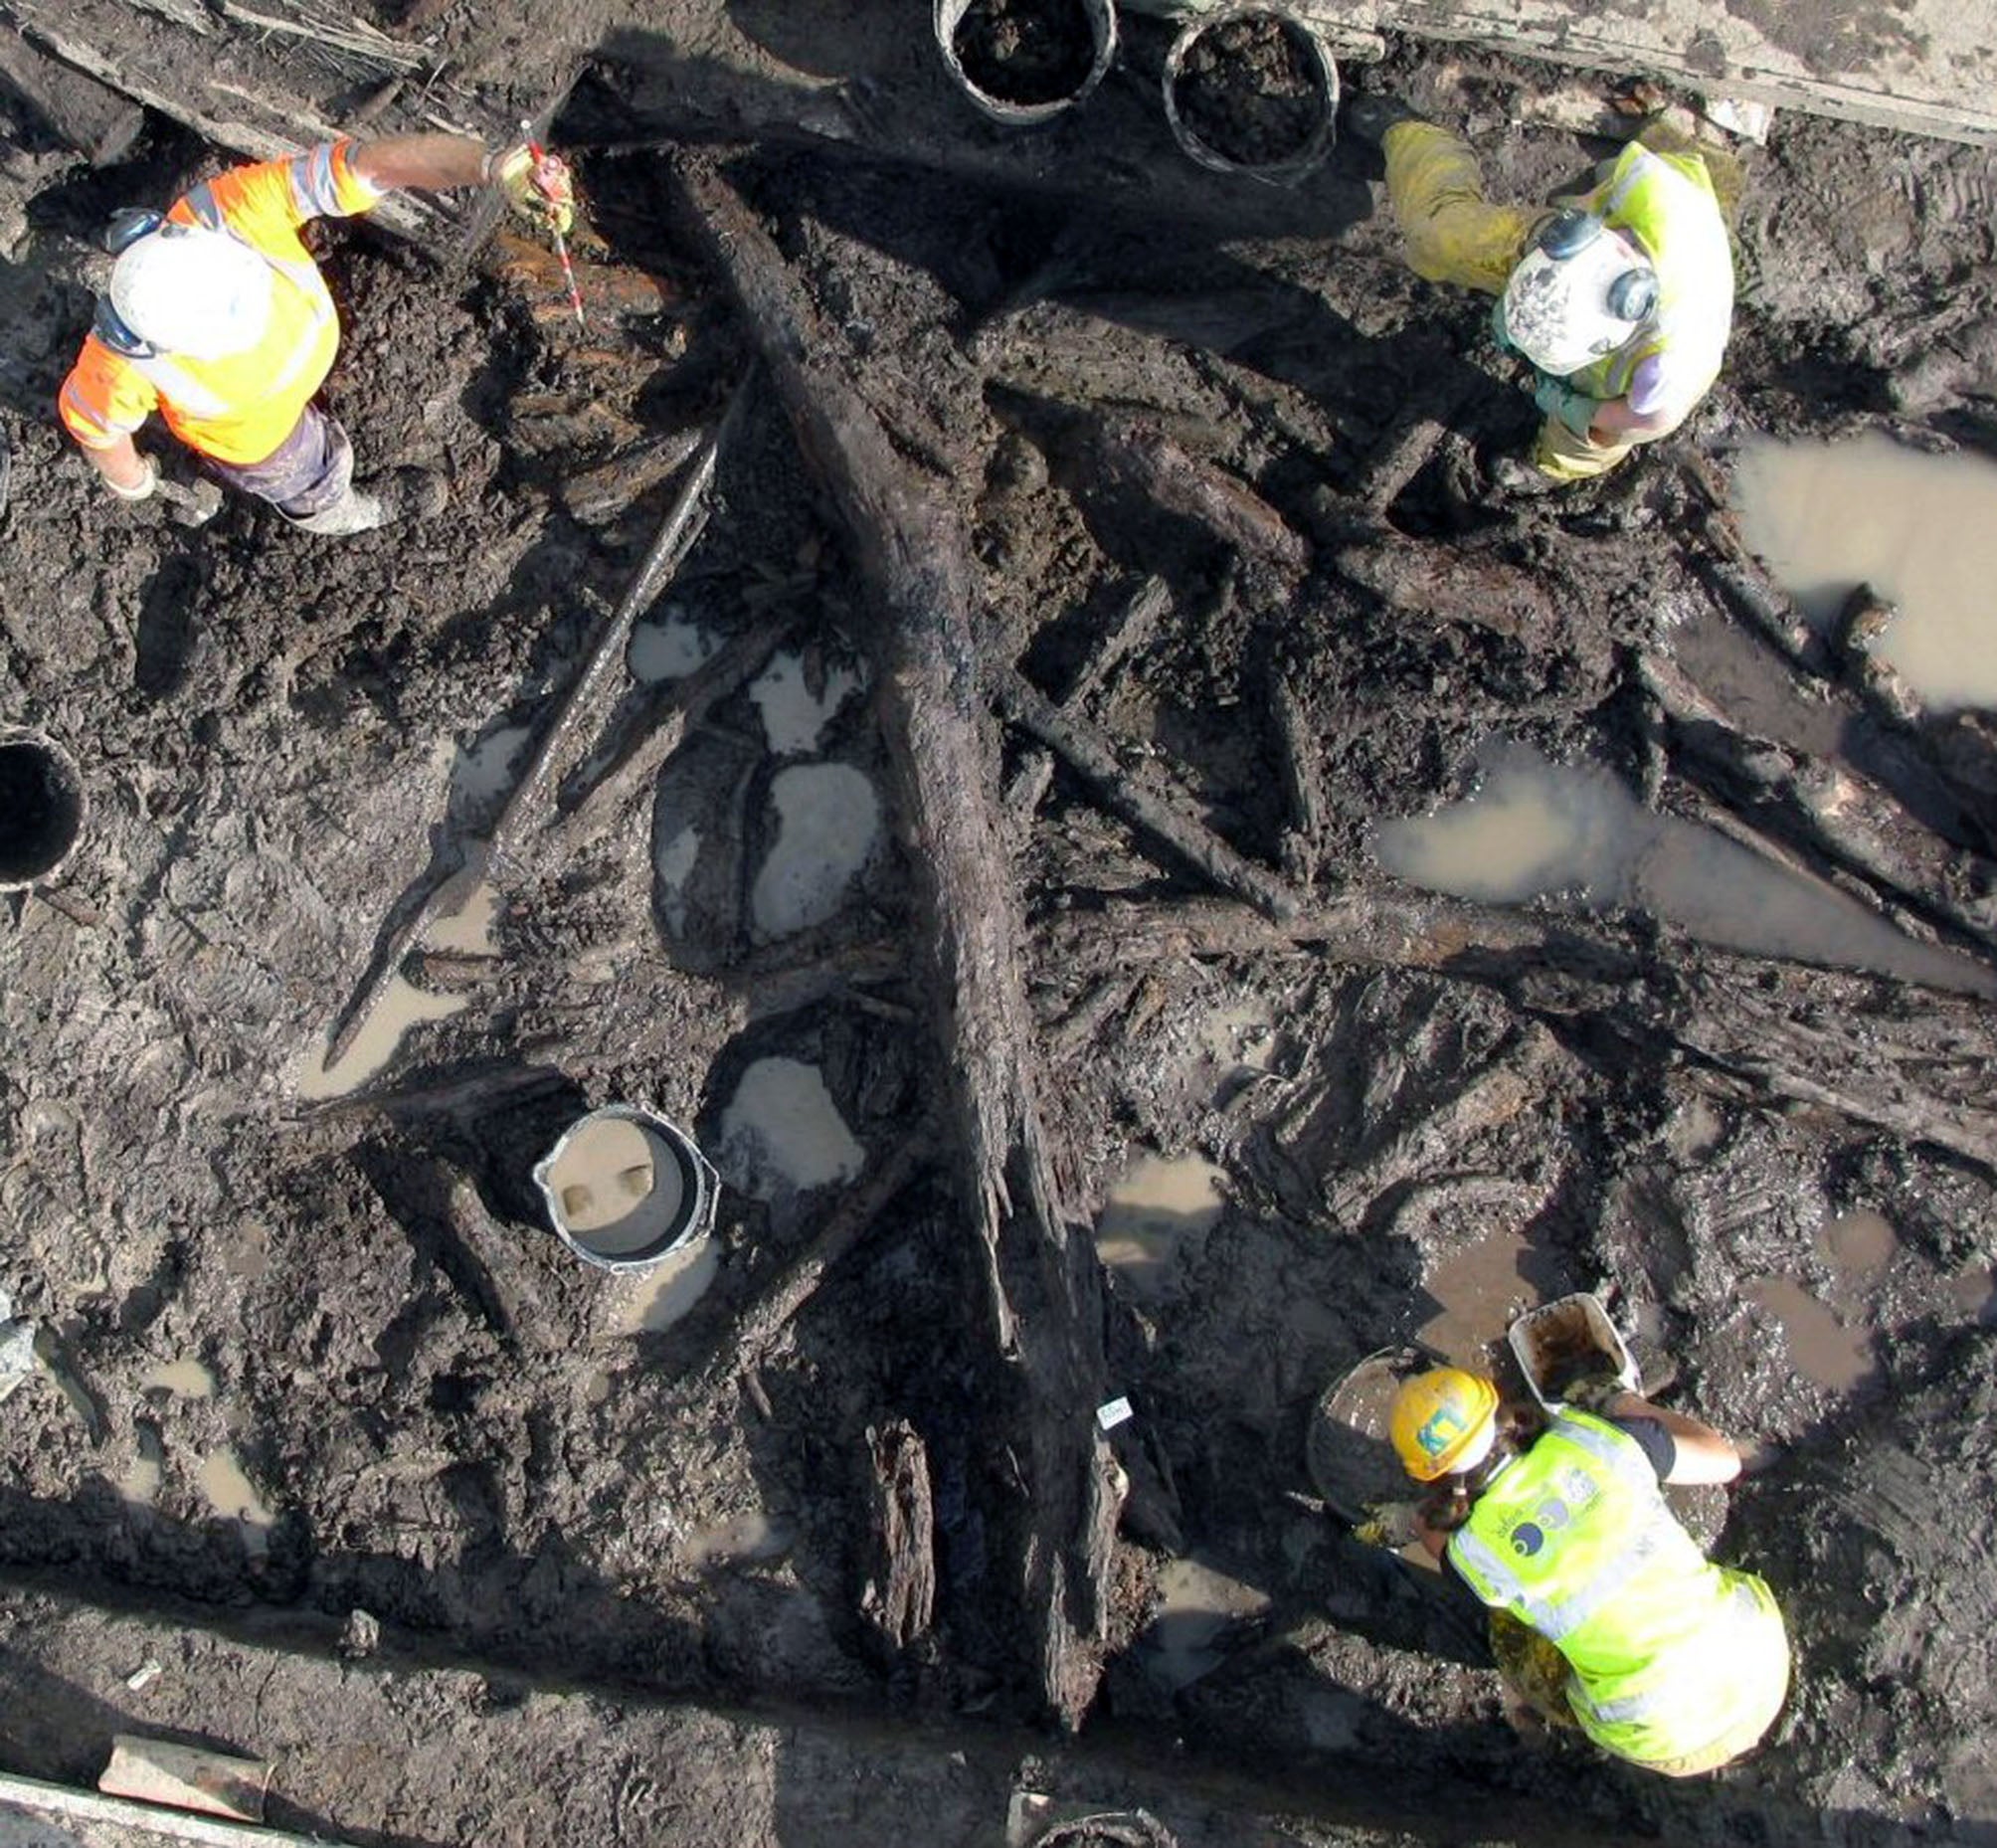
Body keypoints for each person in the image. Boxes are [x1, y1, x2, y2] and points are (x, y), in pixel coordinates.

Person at [58, 133, 576, 535]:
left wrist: (493, 165)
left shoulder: (227, 213)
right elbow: (97, 429)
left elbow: (371, 164)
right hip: (265, 442)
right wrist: (132, 481)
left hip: (306, 365)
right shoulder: (123, 365)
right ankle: (353, 511)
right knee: (314, 481)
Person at [1382, 1366, 1789, 1777]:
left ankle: (1543, 1711)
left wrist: (1413, 1520)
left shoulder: (1474, 1552)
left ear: (1424, 1472)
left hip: (1666, 1738)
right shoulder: (1596, 1440)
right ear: (1495, 1401)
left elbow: (1436, 1540)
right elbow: (1723, 1463)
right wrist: (1623, 1403)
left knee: (1508, 1633)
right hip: (1763, 1666)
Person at [1344, 91, 1738, 488]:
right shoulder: (1644, 193)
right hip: (1591, 236)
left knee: (1588, 439)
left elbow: (1651, 418)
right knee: (1441, 235)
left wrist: (1577, 408)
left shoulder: (1672, 363)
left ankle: (1549, 468)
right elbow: (1586, 201)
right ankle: (1411, 135)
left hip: (1634, 347)